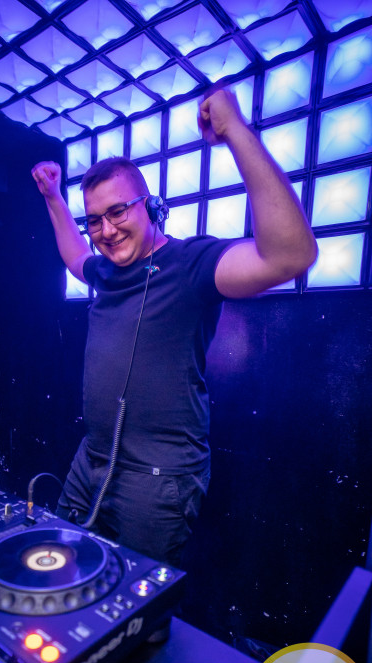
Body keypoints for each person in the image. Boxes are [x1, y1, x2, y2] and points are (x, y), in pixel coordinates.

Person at [32, 89, 317, 570]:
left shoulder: (190, 263)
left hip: (158, 478)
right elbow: (74, 254)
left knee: (136, 599)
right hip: (91, 461)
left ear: (151, 206)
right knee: (64, 572)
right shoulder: (106, 272)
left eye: (118, 211)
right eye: (95, 220)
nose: (106, 231)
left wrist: (235, 131)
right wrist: (53, 198)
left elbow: (290, 255)